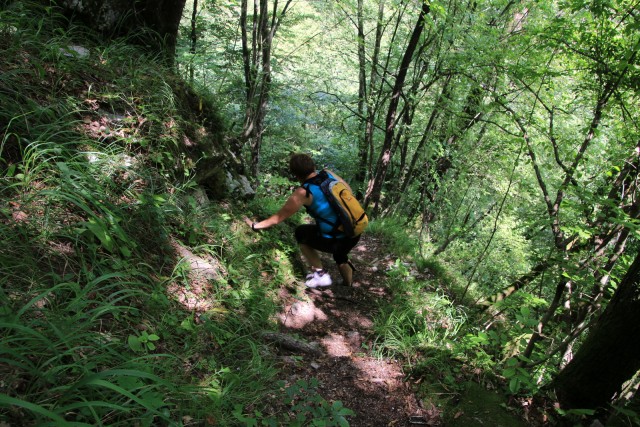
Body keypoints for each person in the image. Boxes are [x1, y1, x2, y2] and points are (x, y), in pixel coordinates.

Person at [244, 153, 361, 288]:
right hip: (355, 229)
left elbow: (277, 218)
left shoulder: (303, 192)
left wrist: (255, 225)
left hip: (335, 239)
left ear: (295, 175)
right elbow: (349, 191)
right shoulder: (328, 174)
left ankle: (320, 274)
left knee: (301, 233)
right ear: (313, 166)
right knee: (340, 255)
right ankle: (348, 285)